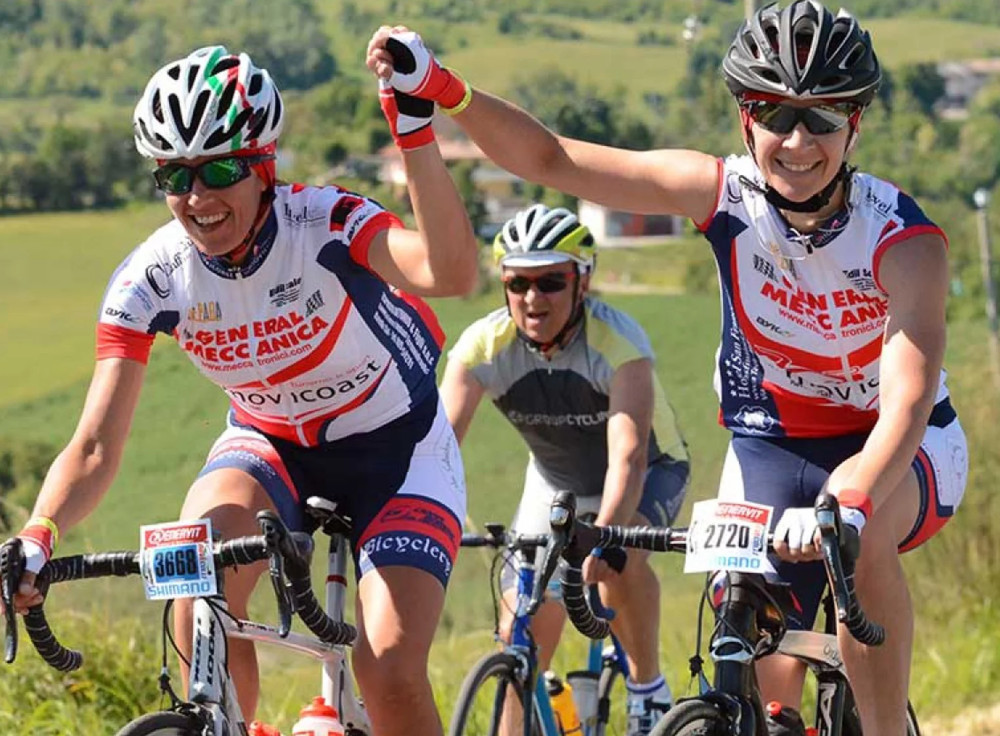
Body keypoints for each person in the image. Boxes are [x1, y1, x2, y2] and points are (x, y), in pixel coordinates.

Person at [366, 4, 969, 735]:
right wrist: (443, 87)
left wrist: (859, 491)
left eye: (823, 117)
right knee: (750, 644)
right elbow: (552, 159)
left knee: (858, 535)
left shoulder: (905, 240)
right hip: (772, 442)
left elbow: (905, 402)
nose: (799, 140)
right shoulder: (721, 193)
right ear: (747, 121)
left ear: (856, 126)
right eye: (777, 114)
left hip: (897, 445)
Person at [3, 44, 479, 736]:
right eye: (175, 175)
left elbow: (451, 272)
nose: (197, 198)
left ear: (263, 167)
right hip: (269, 444)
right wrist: (39, 532)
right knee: (196, 593)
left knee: (388, 671)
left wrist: (413, 132)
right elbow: (97, 444)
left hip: (397, 449)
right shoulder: (154, 277)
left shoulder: (326, 224)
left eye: (220, 169)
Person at [440, 204, 689, 736]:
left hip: (650, 471)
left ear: (583, 281)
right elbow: (438, 447)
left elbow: (629, 455)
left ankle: (647, 691)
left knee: (618, 566)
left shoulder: (618, 344)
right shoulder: (484, 346)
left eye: (552, 281)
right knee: (519, 630)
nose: (533, 299)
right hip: (555, 483)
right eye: (518, 282)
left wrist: (607, 538)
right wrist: (434, 516)